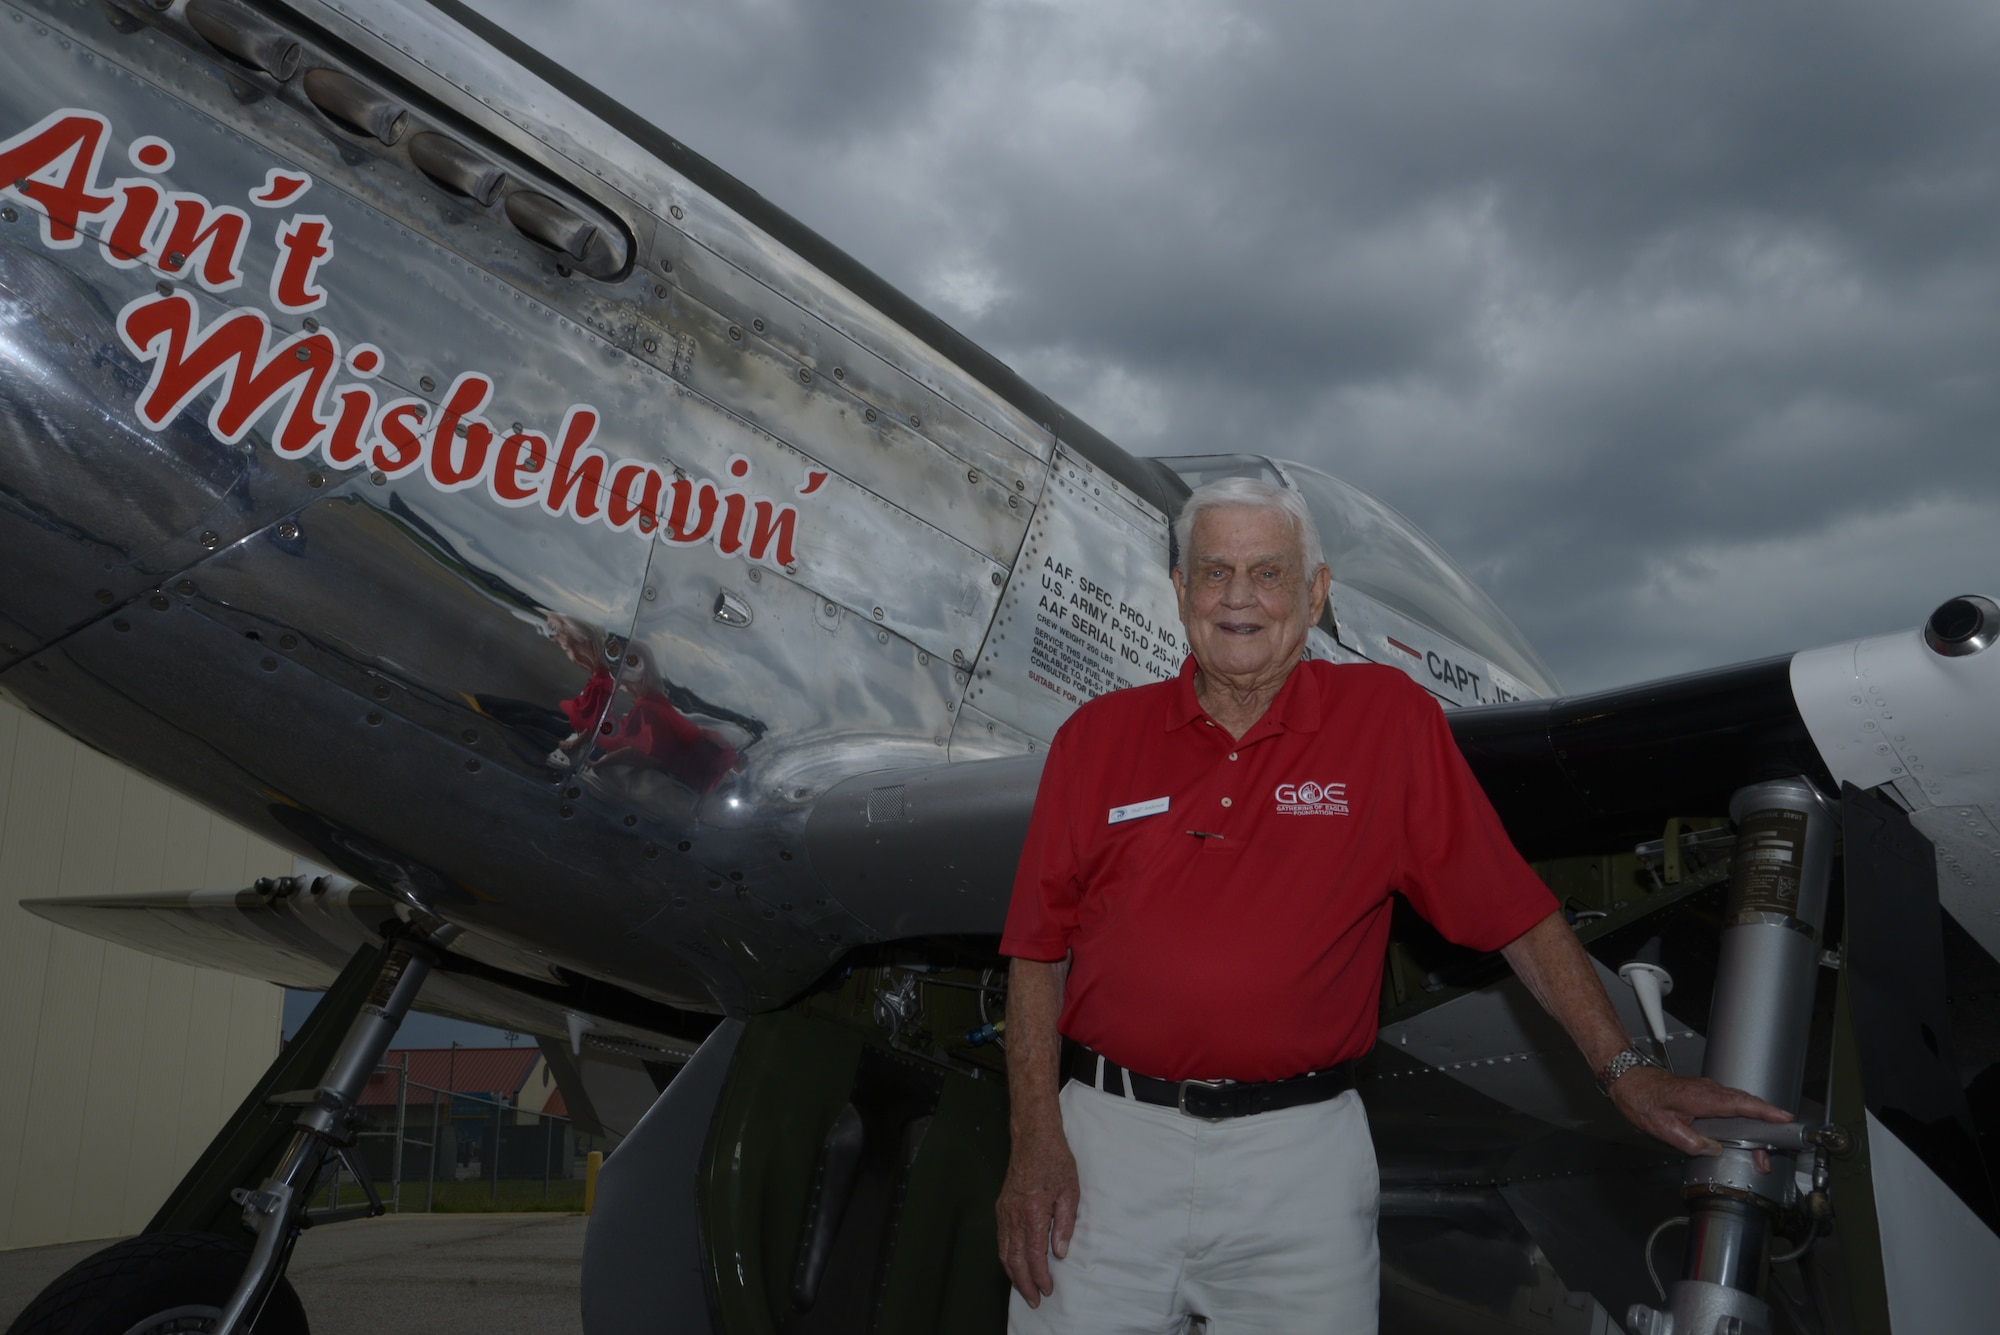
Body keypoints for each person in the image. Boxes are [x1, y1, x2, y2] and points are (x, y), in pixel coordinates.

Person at [994, 477, 1788, 1334]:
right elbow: (1037, 952)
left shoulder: (1391, 724)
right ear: (1181, 589)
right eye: (1214, 572)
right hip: (1106, 1150)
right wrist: (1035, 1141)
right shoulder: (1095, 738)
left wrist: (1629, 1073)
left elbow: (1517, 917)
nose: (1239, 598)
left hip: (1299, 1158)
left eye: (1268, 573)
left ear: (1316, 591)